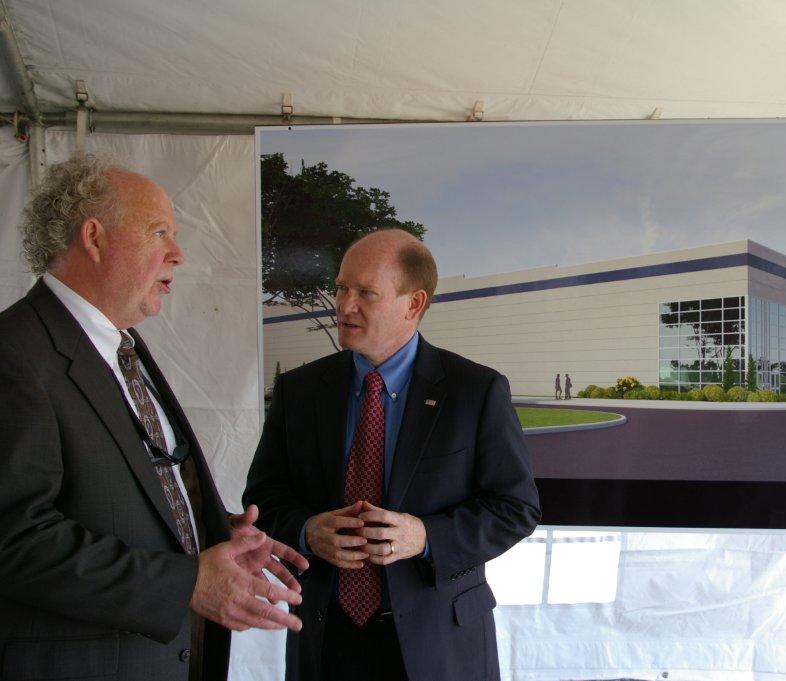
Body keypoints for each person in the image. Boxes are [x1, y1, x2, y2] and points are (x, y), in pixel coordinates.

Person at [0, 155, 308, 681]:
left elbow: (129, 487)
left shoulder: (123, 345)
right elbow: (14, 537)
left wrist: (208, 532)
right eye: (159, 232)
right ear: (93, 237)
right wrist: (184, 581)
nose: (178, 253)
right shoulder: (15, 352)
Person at [244, 229, 541, 681]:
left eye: (365, 292)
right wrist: (306, 531)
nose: (344, 305)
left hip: (440, 643)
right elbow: (264, 497)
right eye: (342, 288)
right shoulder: (299, 391)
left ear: (413, 304)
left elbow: (516, 508)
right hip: (326, 641)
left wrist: (425, 537)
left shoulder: (475, 391)